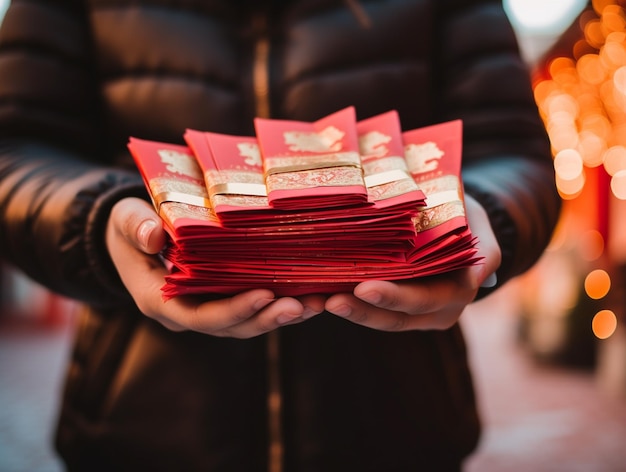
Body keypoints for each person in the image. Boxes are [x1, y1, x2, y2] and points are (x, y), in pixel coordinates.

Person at [0, 0, 561, 470]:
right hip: (141, 426)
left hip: (397, 427)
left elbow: (516, 154)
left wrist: (485, 219)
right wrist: (98, 223)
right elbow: (15, 151)